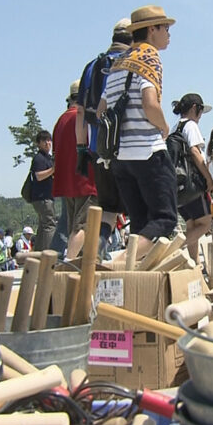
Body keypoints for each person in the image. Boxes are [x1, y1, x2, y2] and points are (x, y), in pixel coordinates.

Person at [98, 5, 177, 256]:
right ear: (152, 29)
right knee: (165, 220)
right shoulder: (149, 57)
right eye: (165, 27)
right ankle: (122, 264)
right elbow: (150, 103)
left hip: (121, 158)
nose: (169, 33)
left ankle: (131, 274)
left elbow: (101, 109)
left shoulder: (118, 64)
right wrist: (164, 127)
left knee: (140, 224)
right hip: (148, 152)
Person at [74, 18, 132, 257]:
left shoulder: (92, 67)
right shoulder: (131, 62)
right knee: (140, 207)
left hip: (99, 147)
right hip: (128, 146)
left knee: (108, 209)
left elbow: (80, 112)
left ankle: (94, 253)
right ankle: (139, 267)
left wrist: (81, 148)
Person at [54, 80, 97, 260]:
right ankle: (69, 261)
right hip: (86, 180)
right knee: (83, 227)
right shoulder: (82, 117)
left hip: (67, 182)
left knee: (74, 227)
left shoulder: (61, 120)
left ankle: (80, 262)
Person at [172, 94, 213, 264]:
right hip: (192, 184)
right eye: (200, 111)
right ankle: (172, 249)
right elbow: (195, 153)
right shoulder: (191, 126)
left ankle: (193, 264)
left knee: (192, 225)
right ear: (194, 108)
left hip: (178, 186)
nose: (200, 116)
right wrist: (209, 179)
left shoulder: (176, 127)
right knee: (205, 224)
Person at [29, 130, 57, 251]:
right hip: (42, 197)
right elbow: (39, 176)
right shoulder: (39, 159)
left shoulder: (48, 158)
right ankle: (49, 254)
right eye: (44, 141)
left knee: (43, 226)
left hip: (45, 196)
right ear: (38, 144)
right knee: (50, 225)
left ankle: (38, 253)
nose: (47, 143)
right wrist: (53, 169)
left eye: (49, 140)